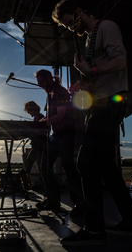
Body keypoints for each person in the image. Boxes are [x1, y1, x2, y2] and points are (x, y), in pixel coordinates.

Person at [52, 0, 132, 246]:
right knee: (107, 168)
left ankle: (94, 229)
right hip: (102, 102)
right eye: (67, 25)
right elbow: (99, 75)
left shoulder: (107, 27)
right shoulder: (88, 40)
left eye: (71, 22)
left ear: (79, 11)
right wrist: (83, 83)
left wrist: (90, 72)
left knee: (85, 162)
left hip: (113, 103)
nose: (71, 28)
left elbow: (120, 62)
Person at [34, 70, 84, 215]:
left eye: (41, 81)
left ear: (49, 79)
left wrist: (45, 123)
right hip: (57, 135)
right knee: (45, 164)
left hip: (66, 133)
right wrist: (36, 124)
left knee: (68, 166)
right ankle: (52, 200)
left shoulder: (60, 92)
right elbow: (49, 116)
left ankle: (80, 204)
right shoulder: (50, 95)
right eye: (38, 82)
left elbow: (61, 115)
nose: (39, 84)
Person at [22, 101, 46, 176]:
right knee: (29, 163)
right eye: (28, 111)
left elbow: (43, 131)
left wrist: (30, 130)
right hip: (36, 146)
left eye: (29, 110)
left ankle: (45, 183)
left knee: (40, 166)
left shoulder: (41, 117)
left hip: (40, 145)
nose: (29, 112)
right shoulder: (36, 118)